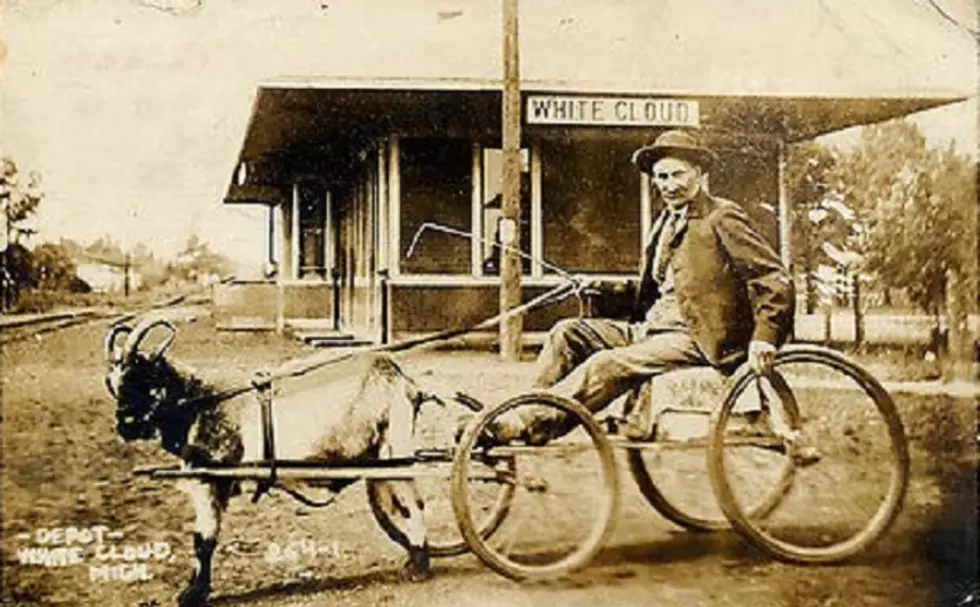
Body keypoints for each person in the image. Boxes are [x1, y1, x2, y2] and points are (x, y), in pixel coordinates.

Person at [489, 129, 795, 443]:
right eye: (662, 177)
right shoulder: (663, 224)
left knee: (607, 364)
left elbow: (773, 277)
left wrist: (765, 337)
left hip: (699, 338)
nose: (670, 185)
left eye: (679, 174)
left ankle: (524, 422)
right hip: (651, 331)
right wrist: (602, 289)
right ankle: (530, 418)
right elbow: (657, 291)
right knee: (566, 333)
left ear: (700, 173)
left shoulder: (722, 217)